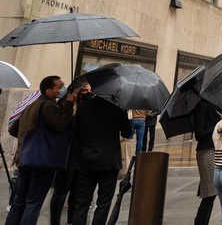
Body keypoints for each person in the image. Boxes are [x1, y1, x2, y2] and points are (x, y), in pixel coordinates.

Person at [6, 76, 78, 225]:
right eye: (60, 87)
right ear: (48, 90)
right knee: (33, 202)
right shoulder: (48, 106)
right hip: (42, 161)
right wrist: (69, 103)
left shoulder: (32, 105)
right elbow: (60, 124)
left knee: (19, 201)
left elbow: (14, 129)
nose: (62, 89)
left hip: (26, 158)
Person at [70, 91, 132, 225]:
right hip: (109, 162)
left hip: (86, 160)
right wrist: (124, 113)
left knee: (81, 203)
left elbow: (75, 131)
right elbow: (128, 132)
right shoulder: (117, 109)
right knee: (103, 204)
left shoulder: (84, 107)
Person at [49, 80, 92, 225]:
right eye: (84, 91)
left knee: (76, 193)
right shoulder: (64, 104)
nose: (87, 94)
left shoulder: (86, 106)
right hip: (65, 156)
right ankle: (54, 221)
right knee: (60, 193)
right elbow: (61, 126)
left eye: (88, 91)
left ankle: (71, 221)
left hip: (80, 156)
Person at [193, 100, 220, 225]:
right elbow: (199, 133)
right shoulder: (202, 104)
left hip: (214, 151)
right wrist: (217, 126)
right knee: (209, 195)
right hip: (206, 151)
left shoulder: (217, 105)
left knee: (211, 194)